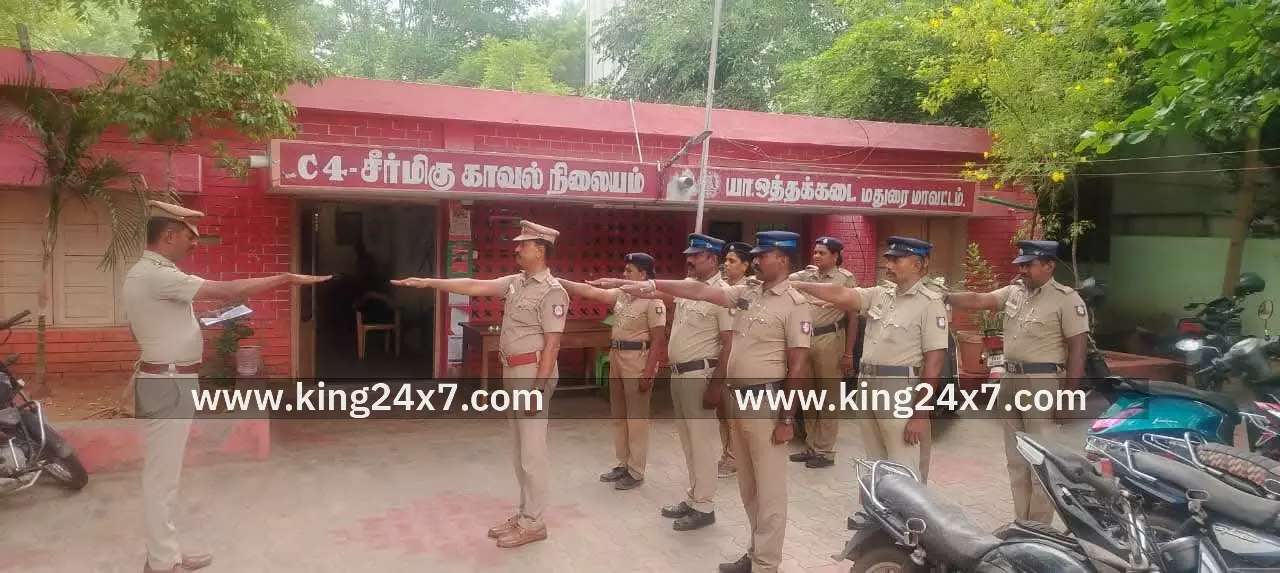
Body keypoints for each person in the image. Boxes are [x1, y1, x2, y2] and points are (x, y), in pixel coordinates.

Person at [123, 201, 331, 573]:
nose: (194, 244)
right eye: (189, 237)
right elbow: (229, 289)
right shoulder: (155, 274)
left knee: (166, 478)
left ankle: (166, 554)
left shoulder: (153, 274)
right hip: (167, 382)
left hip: (171, 379)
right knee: (161, 481)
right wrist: (285, 278)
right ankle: (161, 562)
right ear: (168, 235)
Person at [590, 230, 812, 573]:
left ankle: (767, 564)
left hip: (766, 402)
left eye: (763, 255)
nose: (756, 260)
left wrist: (786, 419)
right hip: (739, 399)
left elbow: (798, 365)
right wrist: (645, 285)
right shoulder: (748, 292)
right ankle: (756, 552)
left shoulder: (795, 304)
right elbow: (697, 290)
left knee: (769, 491)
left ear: (783, 259)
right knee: (748, 487)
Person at [391, 219, 568, 548]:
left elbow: (553, 345)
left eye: (524, 244)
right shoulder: (517, 283)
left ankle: (535, 522)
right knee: (519, 450)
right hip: (513, 372)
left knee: (532, 453)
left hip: (532, 375)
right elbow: (474, 285)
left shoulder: (552, 291)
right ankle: (525, 513)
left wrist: (537, 390)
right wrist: (430, 282)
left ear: (541, 251)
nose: (517, 249)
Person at [944, 240, 1089, 525]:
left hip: (1042, 382)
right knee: (1016, 460)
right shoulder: (1014, 292)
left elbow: (1078, 350)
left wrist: (1068, 397)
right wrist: (946, 297)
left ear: (1049, 265)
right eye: (1020, 265)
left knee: (1041, 460)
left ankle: (1040, 527)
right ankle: (1022, 523)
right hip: (1010, 380)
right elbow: (978, 300)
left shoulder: (1066, 299)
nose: (1022, 270)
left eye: (1028, 265)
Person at [790, 236, 948, 479]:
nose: (889, 265)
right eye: (889, 259)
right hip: (868, 385)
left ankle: (905, 504)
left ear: (919, 264)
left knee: (903, 462)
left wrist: (919, 414)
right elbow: (843, 294)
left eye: (897, 260)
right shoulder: (880, 293)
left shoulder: (930, 303)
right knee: (875, 460)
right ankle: (878, 502)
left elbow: (934, 364)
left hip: (899, 389)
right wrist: (801, 285)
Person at [559, 253, 668, 491]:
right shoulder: (622, 295)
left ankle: (636, 471)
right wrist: (558, 281)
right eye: (624, 270)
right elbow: (590, 291)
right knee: (619, 416)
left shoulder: (653, 300)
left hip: (638, 360)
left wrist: (649, 373)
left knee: (636, 419)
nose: (624, 275)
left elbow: (659, 340)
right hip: (617, 357)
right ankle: (622, 463)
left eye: (629, 271)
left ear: (643, 274)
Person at [653, 233, 734, 531]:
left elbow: (729, 343)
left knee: (702, 445)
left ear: (712, 259)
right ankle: (694, 497)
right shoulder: (688, 288)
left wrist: (716, 385)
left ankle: (704, 506)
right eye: (689, 255)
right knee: (689, 443)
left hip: (701, 376)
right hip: (679, 375)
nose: (689, 260)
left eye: (696, 256)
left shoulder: (722, 295)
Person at [787, 236, 858, 469]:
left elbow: (852, 318)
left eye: (822, 253)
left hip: (830, 339)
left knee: (828, 397)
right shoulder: (807, 275)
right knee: (808, 396)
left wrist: (849, 353)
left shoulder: (845, 279)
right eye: (815, 252)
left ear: (835, 256)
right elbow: (786, 279)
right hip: (805, 340)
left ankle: (825, 450)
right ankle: (811, 444)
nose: (816, 256)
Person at [716, 241, 753, 478]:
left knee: (734, 414)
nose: (726, 264)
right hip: (721, 355)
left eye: (732, 261)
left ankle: (734, 458)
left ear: (746, 265)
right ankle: (727, 453)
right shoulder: (722, 287)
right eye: (726, 260)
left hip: (739, 354)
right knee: (723, 412)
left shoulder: (750, 290)